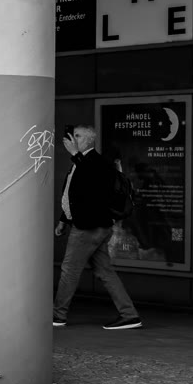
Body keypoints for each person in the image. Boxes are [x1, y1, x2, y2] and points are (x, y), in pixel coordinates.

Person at [54, 125, 142, 330]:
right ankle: (130, 315)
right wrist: (64, 220)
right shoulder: (81, 161)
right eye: (73, 135)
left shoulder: (97, 162)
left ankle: (58, 316)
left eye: (77, 136)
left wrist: (75, 154)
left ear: (88, 140)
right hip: (91, 225)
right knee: (105, 271)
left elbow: (93, 181)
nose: (72, 139)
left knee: (69, 270)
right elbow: (76, 195)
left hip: (89, 228)